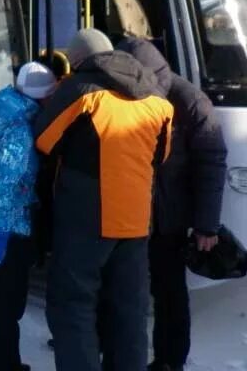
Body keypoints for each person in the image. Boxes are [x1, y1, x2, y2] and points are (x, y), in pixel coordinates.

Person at [34, 28, 173, 371]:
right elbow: (161, 155)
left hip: (88, 216)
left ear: (78, 59)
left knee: (73, 303)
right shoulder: (156, 99)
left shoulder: (80, 90)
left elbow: (43, 140)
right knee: (129, 309)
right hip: (137, 219)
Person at [117, 38, 227, 371]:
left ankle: (169, 360)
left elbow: (211, 163)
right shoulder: (125, 91)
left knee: (169, 293)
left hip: (168, 218)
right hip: (131, 214)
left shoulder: (191, 101)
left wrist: (206, 224)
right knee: (123, 287)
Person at [0, 61, 57, 371]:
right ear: (41, 97)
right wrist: (0, 238)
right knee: (6, 303)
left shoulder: (2, 109)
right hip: (4, 228)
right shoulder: (20, 132)